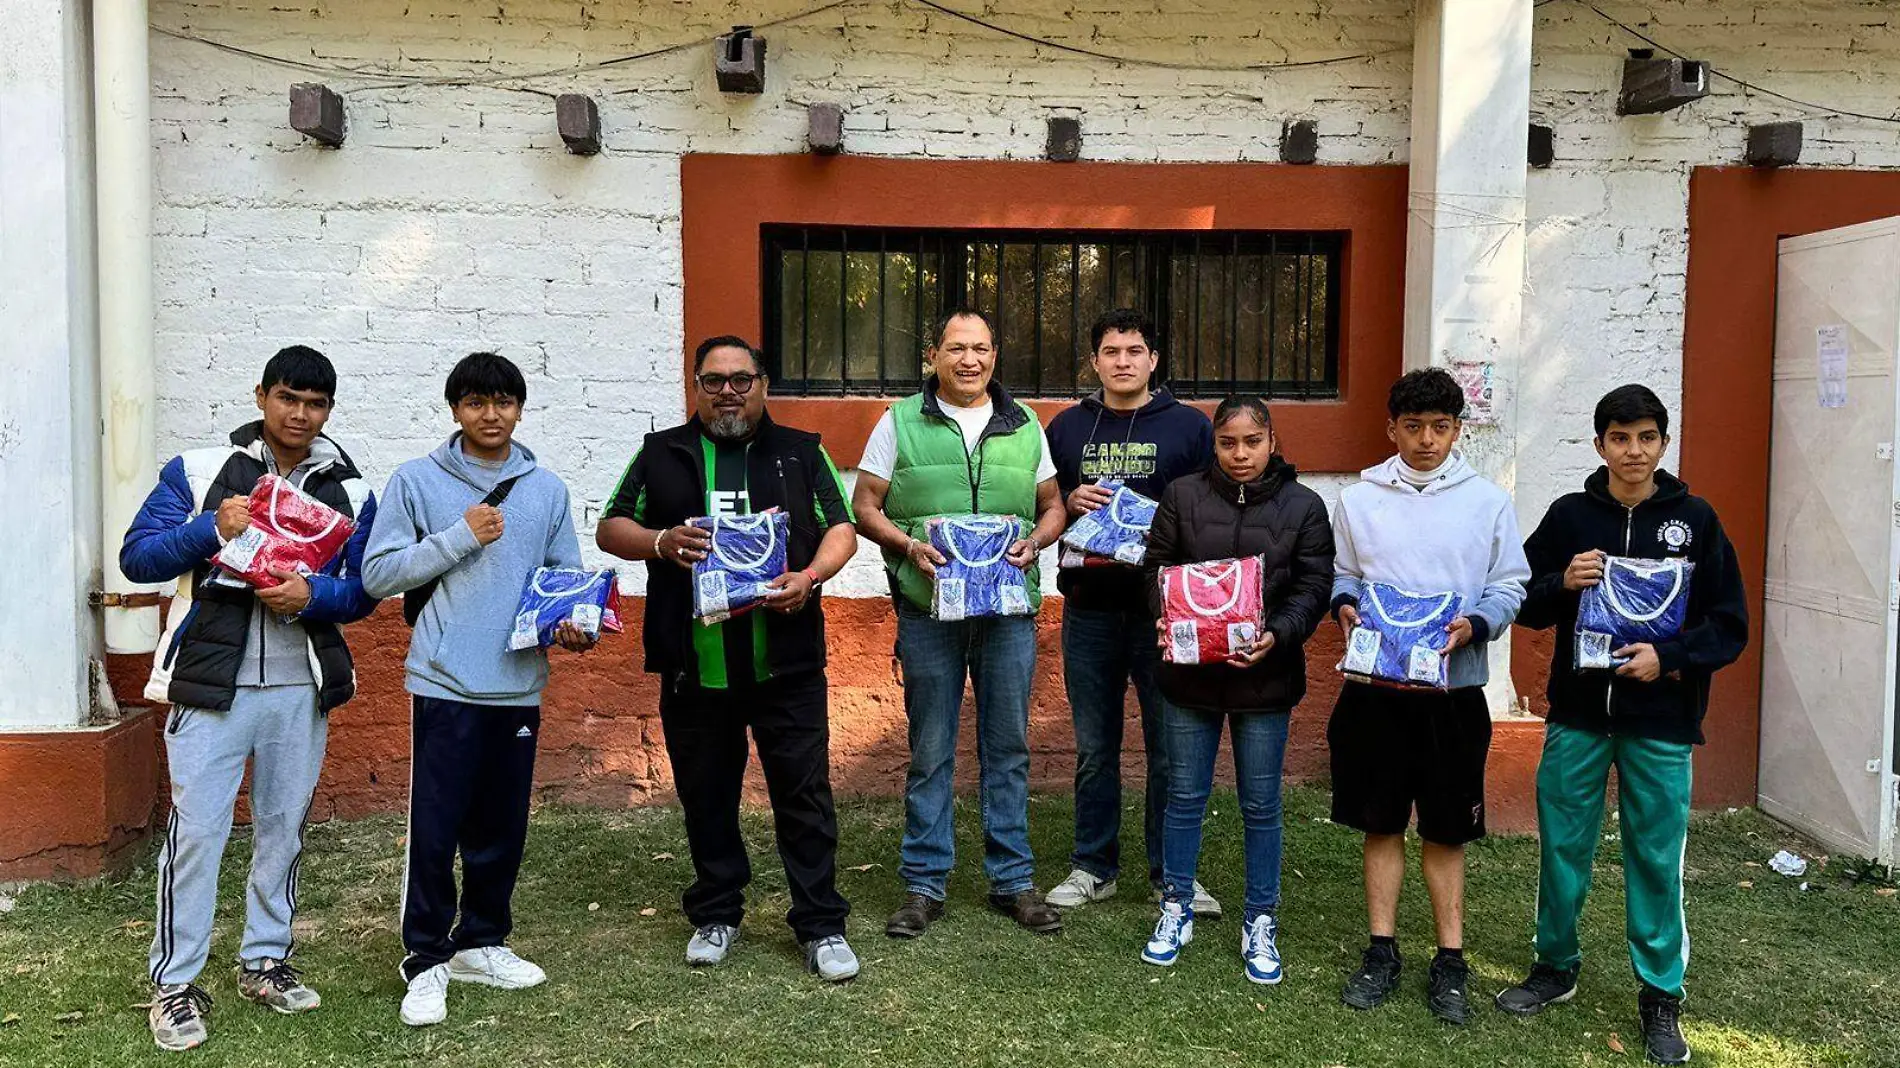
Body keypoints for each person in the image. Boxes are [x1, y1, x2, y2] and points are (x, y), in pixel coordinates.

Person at [121, 346, 379, 1052]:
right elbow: (137, 557)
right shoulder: (200, 470)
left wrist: (314, 595)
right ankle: (175, 984)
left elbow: (364, 590)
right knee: (197, 832)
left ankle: (264, 961)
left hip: (301, 683)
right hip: (209, 682)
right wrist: (213, 528)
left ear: (329, 410)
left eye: (316, 403)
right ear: (261, 395)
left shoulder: (350, 490)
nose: (300, 414)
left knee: (282, 828)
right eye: (288, 398)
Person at [596, 335, 862, 982]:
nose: (729, 392)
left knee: (803, 794)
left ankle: (820, 924)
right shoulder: (663, 453)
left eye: (741, 379)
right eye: (714, 381)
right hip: (695, 664)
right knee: (706, 795)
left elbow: (842, 527)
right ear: (696, 387)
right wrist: (660, 541)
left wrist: (813, 577)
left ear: (763, 383)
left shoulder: (801, 452)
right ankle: (717, 912)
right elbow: (610, 527)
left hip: (787, 663)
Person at [1495, 384, 1747, 1066]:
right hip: (1577, 715)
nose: (1633, 451)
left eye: (1646, 437)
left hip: (1662, 722)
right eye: (1620, 437)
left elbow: (1729, 626)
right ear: (1600, 443)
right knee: (1562, 848)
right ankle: (1554, 966)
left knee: (1657, 858)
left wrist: (1669, 656)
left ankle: (1661, 994)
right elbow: (1522, 600)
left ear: (1663, 443)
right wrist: (1561, 584)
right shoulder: (1571, 516)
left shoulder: (1695, 520)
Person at [361, 351, 596, 1028]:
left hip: (518, 683)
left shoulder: (545, 488)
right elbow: (379, 574)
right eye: (475, 402)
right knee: (435, 832)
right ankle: (426, 961)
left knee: (501, 829)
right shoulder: (416, 481)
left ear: (519, 408)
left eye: (503, 402)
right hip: (445, 681)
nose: (490, 415)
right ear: (455, 408)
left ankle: (483, 941)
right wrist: (459, 536)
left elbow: (561, 576)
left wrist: (572, 625)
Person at [852, 307, 1068, 938]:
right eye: (955, 349)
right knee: (930, 749)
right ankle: (923, 885)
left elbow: (1051, 505)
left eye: (979, 349)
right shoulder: (898, 422)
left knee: (1008, 748)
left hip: (1007, 614)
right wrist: (906, 545)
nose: (968, 360)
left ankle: (1012, 882)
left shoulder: (1026, 423)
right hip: (927, 610)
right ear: (934, 355)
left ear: (994, 356)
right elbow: (864, 504)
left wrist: (1038, 540)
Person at [1327, 368, 1530, 1024]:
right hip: (1376, 690)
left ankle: (1450, 959)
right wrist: (1347, 607)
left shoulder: (1487, 503)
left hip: (1454, 690)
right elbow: (1344, 574)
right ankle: (1381, 948)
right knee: (1380, 821)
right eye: (1412, 427)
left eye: (1440, 427)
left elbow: (1511, 584)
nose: (1425, 440)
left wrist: (1476, 624)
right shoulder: (1360, 500)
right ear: (1391, 429)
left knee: (1446, 830)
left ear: (1457, 431)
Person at [1137, 396, 1333, 985]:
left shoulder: (1305, 505)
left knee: (1260, 803)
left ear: (1272, 440)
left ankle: (1260, 916)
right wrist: (1172, 613)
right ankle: (1176, 905)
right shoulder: (1182, 496)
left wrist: (1278, 633)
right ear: (1214, 444)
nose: (1240, 455)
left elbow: (1313, 584)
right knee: (1185, 796)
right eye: (1228, 443)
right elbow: (1155, 570)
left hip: (1265, 677)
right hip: (1189, 676)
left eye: (1252, 442)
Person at [1043, 308, 1218, 915]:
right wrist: (1068, 497)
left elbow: (1209, 510)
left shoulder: (1191, 429)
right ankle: (1094, 866)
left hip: (1164, 613)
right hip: (1089, 609)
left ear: (1153, 361)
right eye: (1111, 351)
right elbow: (1042, 510)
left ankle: (1173, 873)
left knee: (1171, 747)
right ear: (1095, 361)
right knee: (1095, 746)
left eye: (1134, 350)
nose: (1123, 361)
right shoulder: (1065, 429)